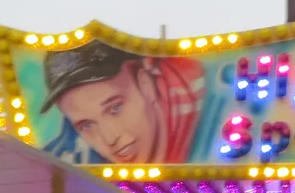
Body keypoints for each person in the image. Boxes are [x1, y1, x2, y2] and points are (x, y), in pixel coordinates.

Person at [40, 41, 205, 164]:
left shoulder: (209, 109)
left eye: (115, 108)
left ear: (146, 84)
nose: (110, 138)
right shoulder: (66, 162)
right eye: (87, 125)